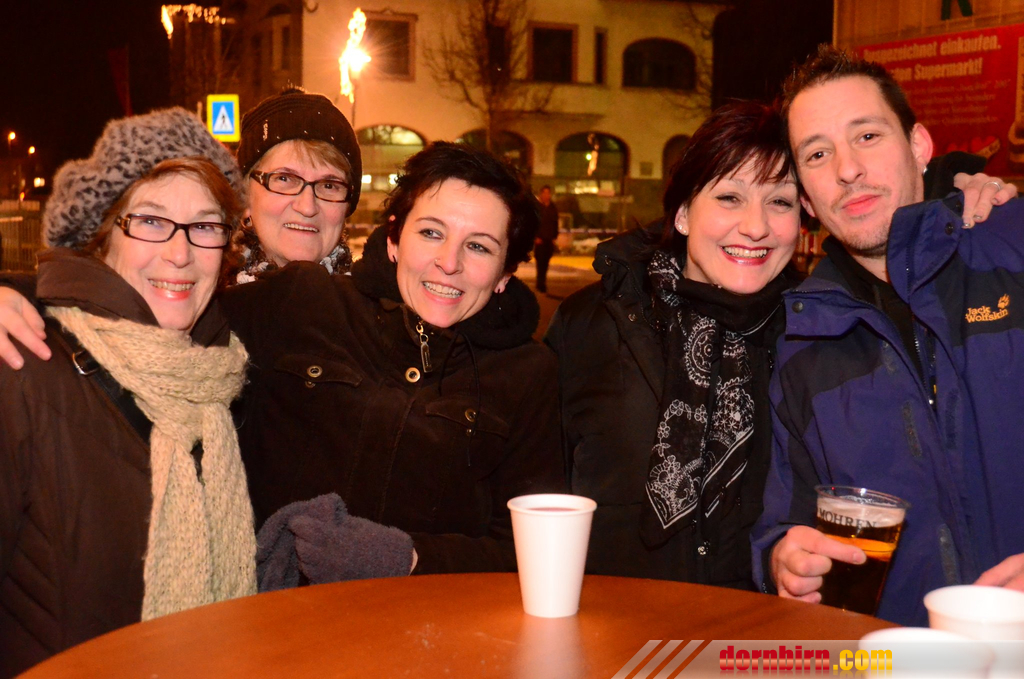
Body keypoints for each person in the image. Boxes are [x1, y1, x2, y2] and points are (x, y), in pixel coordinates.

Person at [752, 45, 1024, 625]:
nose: (847, 169)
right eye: (818, 153)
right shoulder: (802, 343)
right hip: (894, 657)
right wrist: (782, 559)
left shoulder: (1014, 252)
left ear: (919, 147)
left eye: (868, 136)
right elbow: (786, 520)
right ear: (806, 198)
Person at [0, 109, 256, 677]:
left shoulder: (217, 379)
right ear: (101, 236)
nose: (180, 253)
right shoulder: (21, 368)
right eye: (151, 221)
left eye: (205, 226)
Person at [546, 101, 802, 589]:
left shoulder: (815, 338)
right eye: (729, 197)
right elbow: (539, 493)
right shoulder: (593, 324)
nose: (756, 226)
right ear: (683, 213)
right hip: (608, 622)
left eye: (780, 202)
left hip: (753, 630)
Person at [231, 87, 362, 282]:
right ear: (245, 198)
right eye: (284, 179)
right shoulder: (201, 297)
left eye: (329, 186)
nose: (307, 207)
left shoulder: (376, 301)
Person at [533, 185, 558, 293]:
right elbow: (533, 223)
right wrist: (535, 237)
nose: (546, 195)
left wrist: (554, 236)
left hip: (549, 240)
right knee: (540, 262)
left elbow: (555, 223)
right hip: (540, 240)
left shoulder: (553, 208)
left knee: (546, 262)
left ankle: (543, 281)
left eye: (548, 193)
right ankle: (540, 283)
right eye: (544, 193)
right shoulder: (537, 208)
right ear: (541, 194)